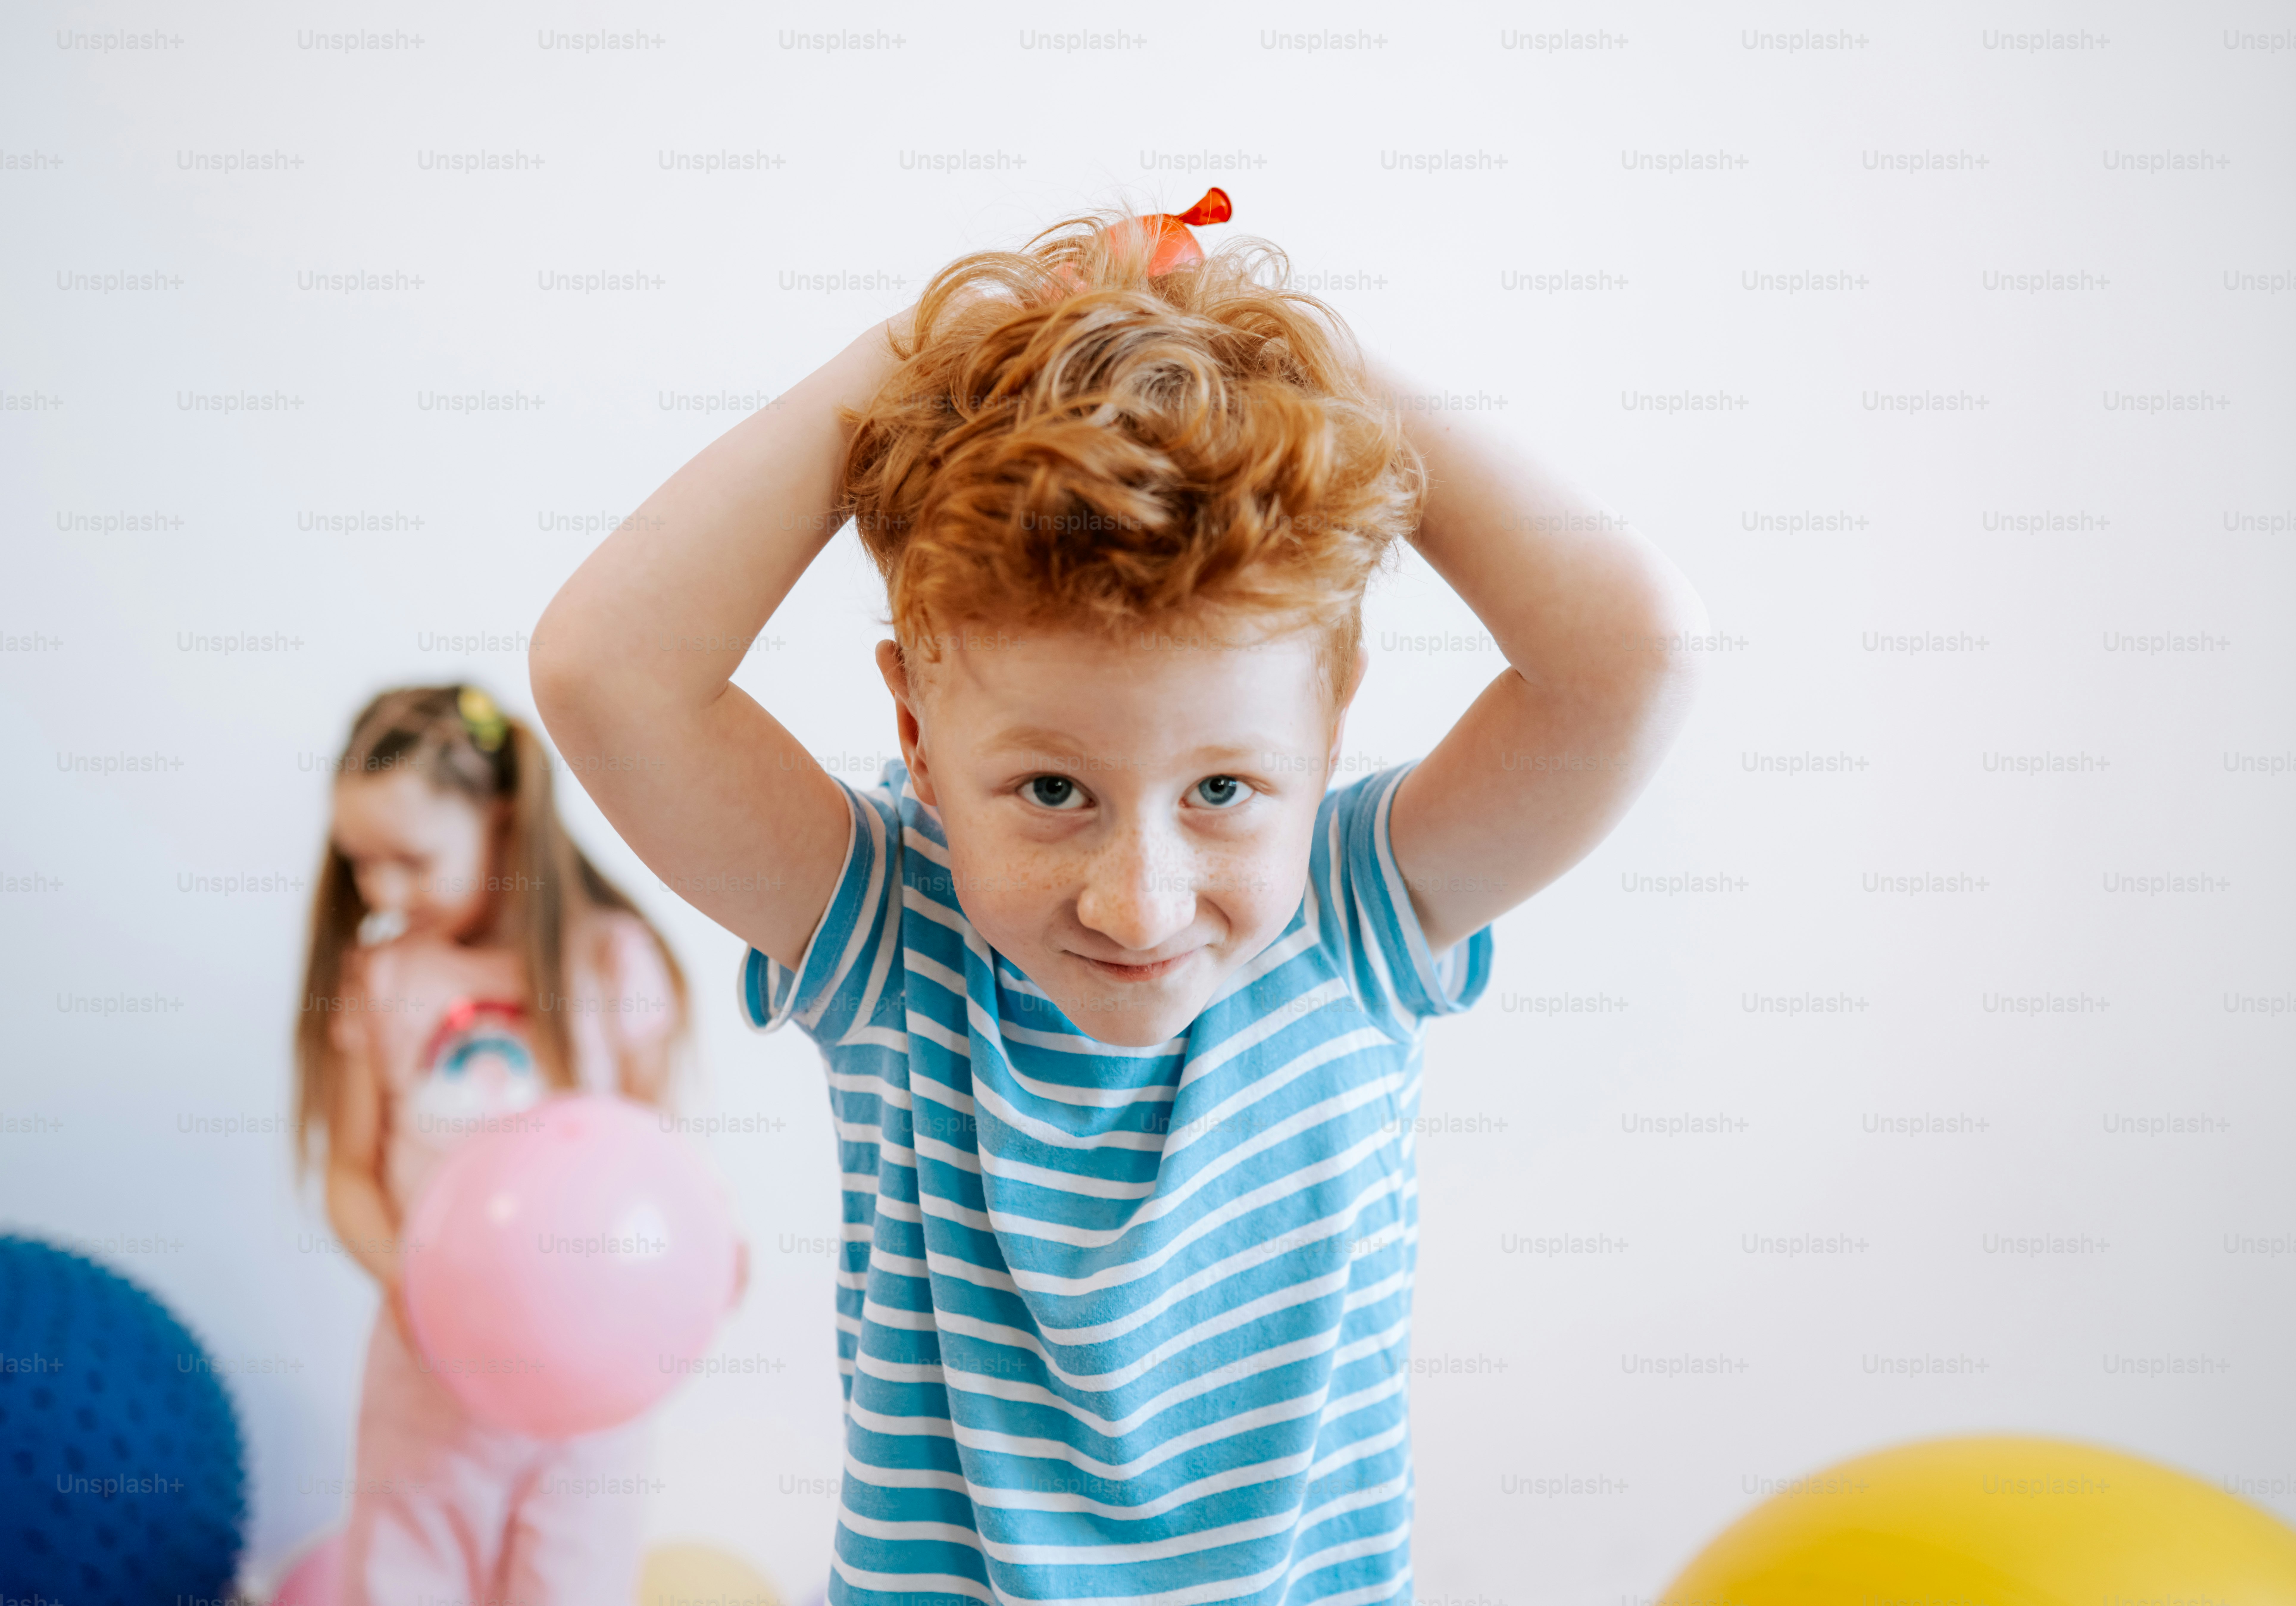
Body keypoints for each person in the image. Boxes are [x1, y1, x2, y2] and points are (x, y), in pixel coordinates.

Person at [533, 195, 1708, 1604]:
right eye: (1048, 792)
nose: (1140, 906)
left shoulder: (1360, 911)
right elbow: (607, 670)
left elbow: (1628, 655)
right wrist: (924, 344)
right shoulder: (889, 928)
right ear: (915, 732)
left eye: (1221, 791)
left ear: (1330, 720)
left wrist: (1293, 352)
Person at [290, 683, 690, 1604]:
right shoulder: (381, 977)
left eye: (411, 860)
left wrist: (703, 1260)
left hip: (584, 1377)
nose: (381, 892)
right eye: (361, 864)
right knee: (404, 1574)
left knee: (572, 1579)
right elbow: (350, 1172)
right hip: (426, 1378)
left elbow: (658, 1163)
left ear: (501, 820)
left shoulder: (607, 962)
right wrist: (410, 1281)